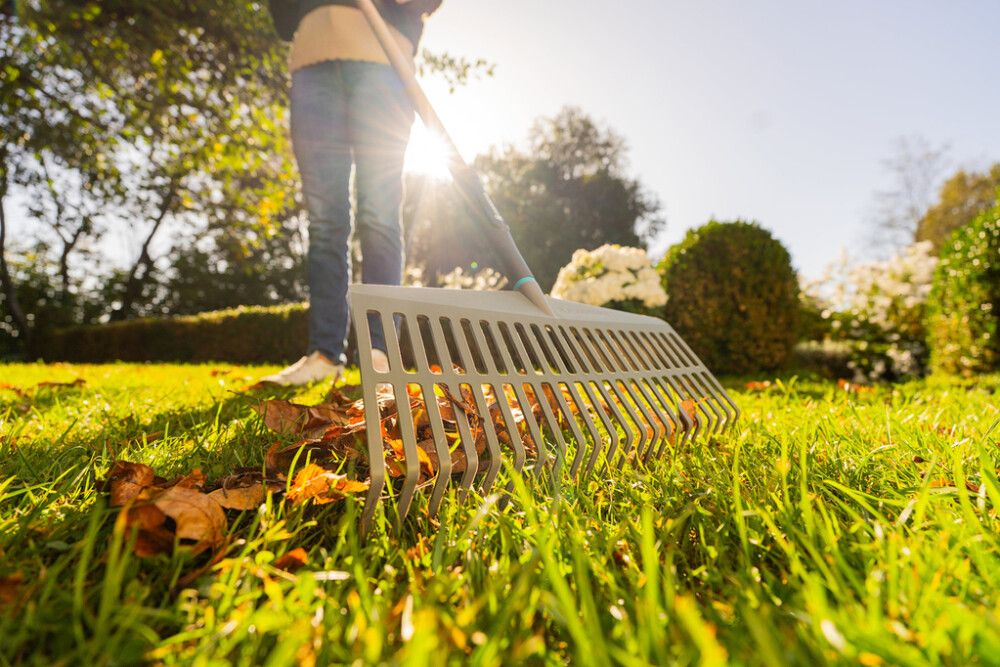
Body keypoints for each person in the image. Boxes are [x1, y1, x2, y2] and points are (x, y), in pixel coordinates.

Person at [262, 0, 442, 385]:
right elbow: (282, 18)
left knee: (379, 214)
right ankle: (324, 354)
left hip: (384, 65)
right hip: (313, 61)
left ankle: (379, 353)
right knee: (326, 220)